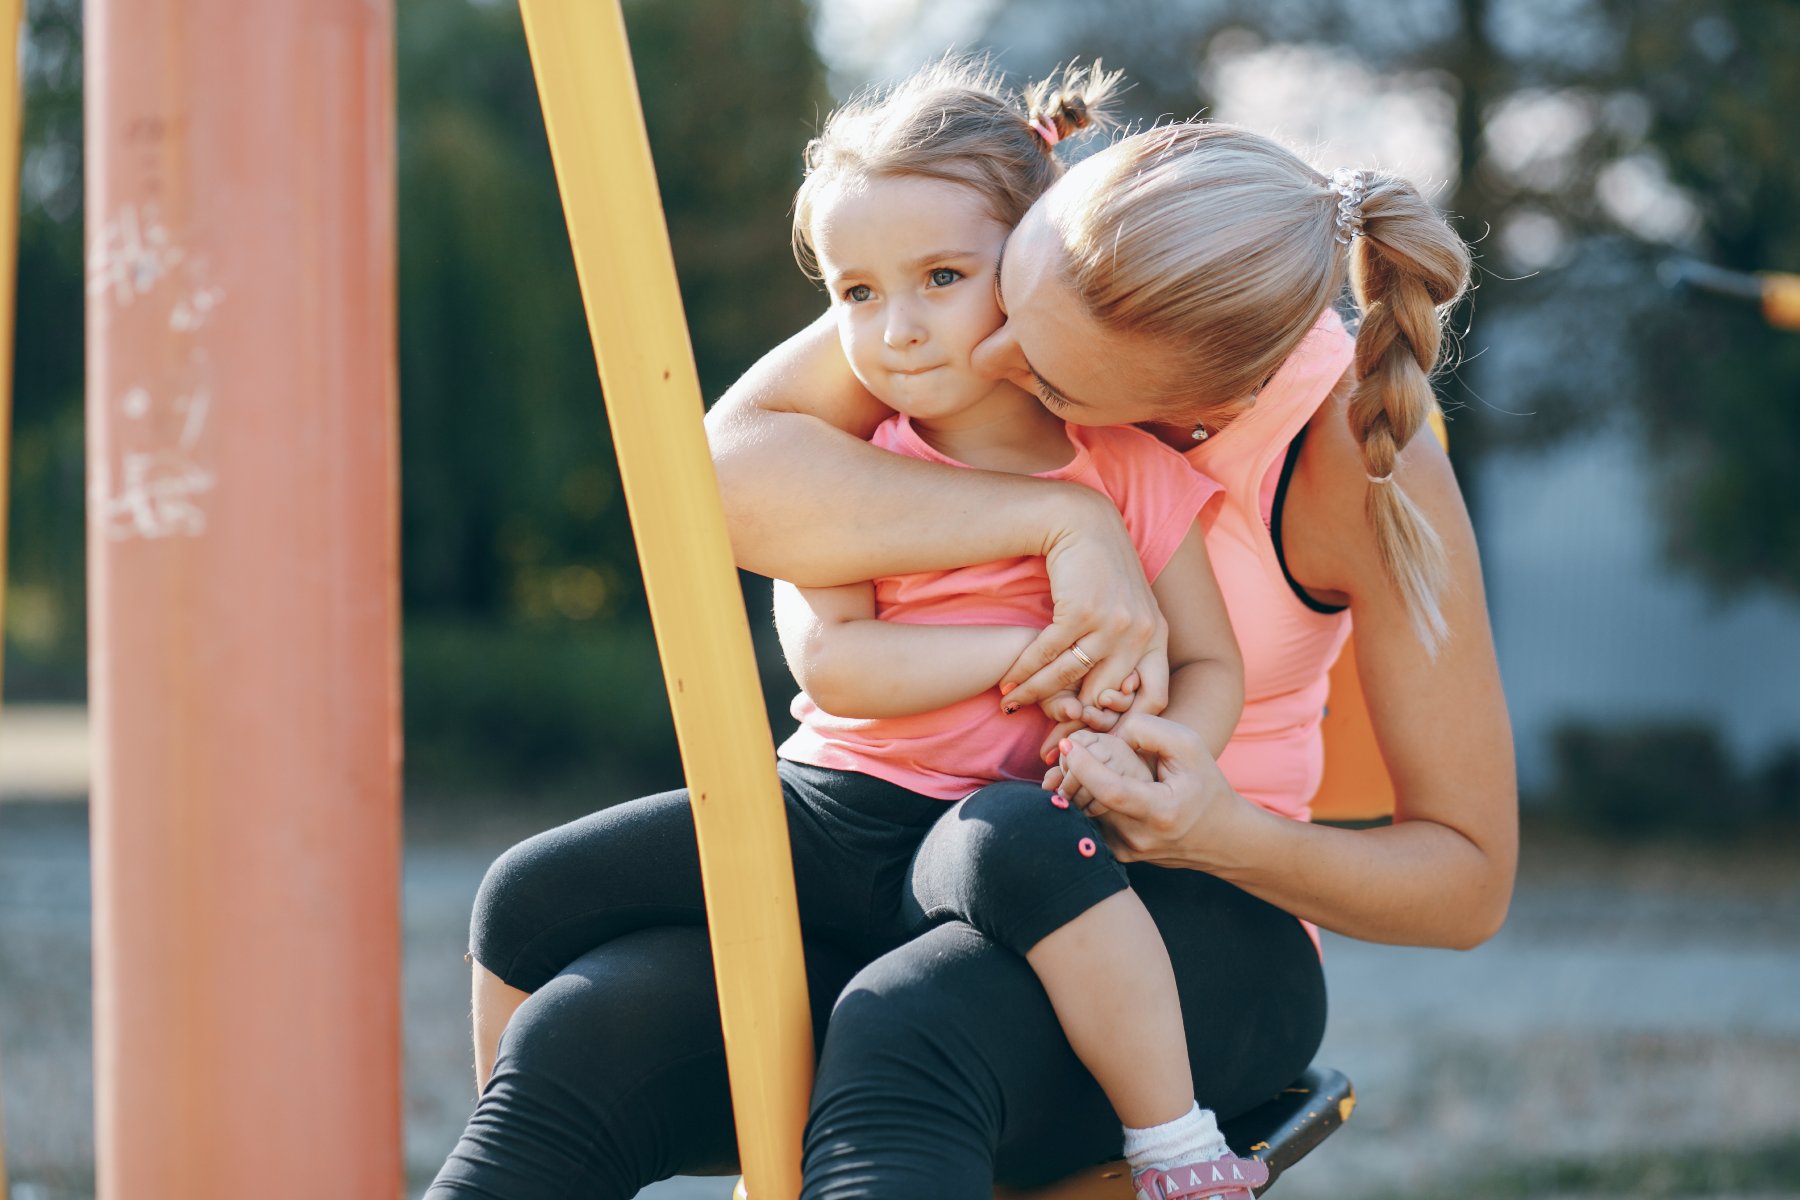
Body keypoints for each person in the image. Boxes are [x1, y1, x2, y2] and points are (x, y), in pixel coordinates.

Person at [429, 54, 1517, 1200]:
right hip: (910, 860)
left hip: (1176, 912)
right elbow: (709, 482)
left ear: (1184, 401)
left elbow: (1466, 882)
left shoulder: (1344, 446)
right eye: (1007, 303)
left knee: (907, 1038)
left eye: (1039, 365)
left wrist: (1207, 824)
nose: (969, 360)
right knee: (584, 1036)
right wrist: (1062, 523)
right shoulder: (997, 284)